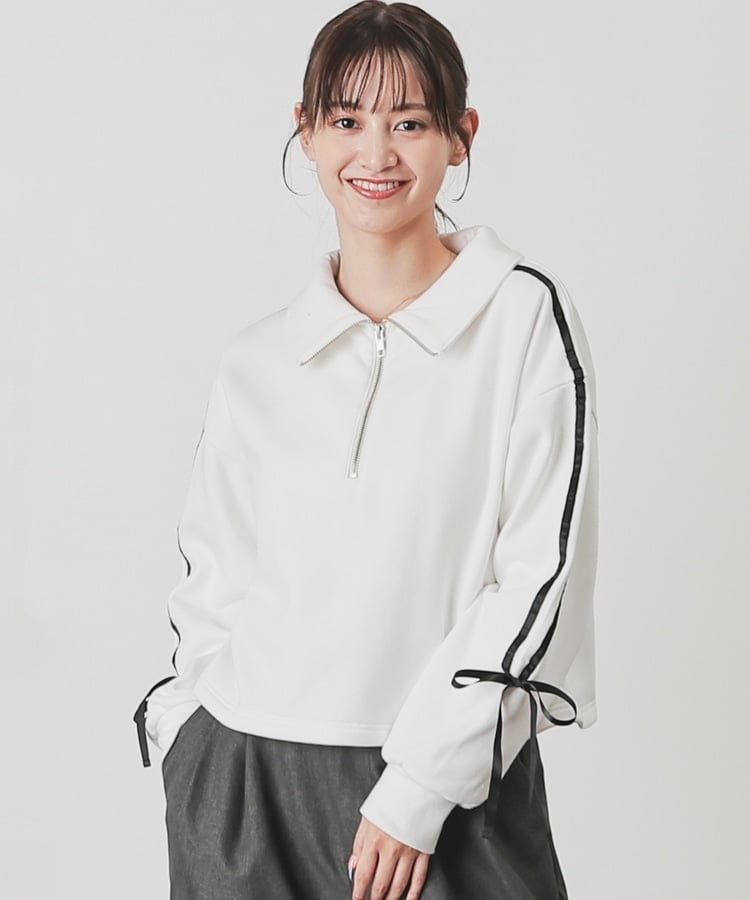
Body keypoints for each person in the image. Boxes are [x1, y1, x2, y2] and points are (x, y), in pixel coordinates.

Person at [132, 2, 599, 898]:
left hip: (438, 792)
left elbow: (543, 573)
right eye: (346, 120)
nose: (376, 153)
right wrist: (187, 736)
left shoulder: (522, 318)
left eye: (410, 122)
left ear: (460, 136)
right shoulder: (258, 359)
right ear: (305, 132)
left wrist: (420, 786)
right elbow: (214, 575)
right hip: (242, 784)